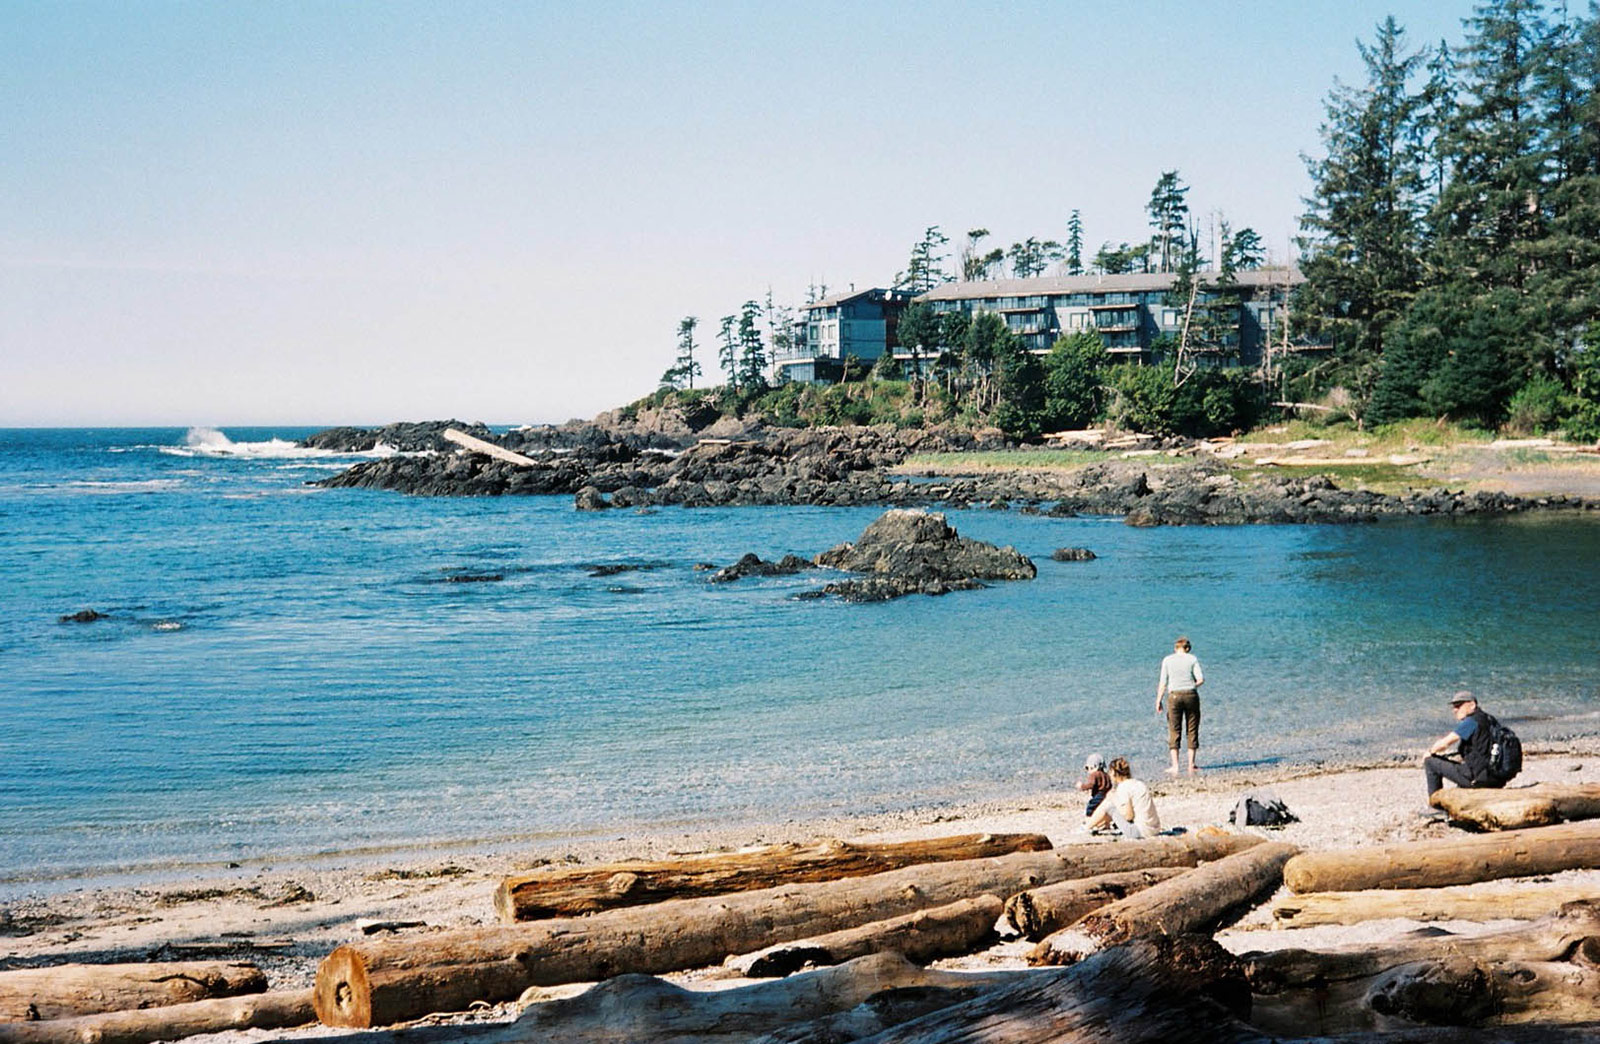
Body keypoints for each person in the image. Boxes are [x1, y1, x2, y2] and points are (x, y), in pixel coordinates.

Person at [1423, 690, 1505, 802]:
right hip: (1496, 778)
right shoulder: (1489, 719)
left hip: (1479, 779)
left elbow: (1445, 743)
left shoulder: (1471, 722)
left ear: (1472, 705)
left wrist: (1429, 752)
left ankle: (1436, 807)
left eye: (1458, 706)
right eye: (1454, 707)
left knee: (1430, 762)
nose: (1455, 710)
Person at [1156, 636, 1204, 775]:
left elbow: (1163, 682)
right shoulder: (1192, 659)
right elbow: (1201, 679)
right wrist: (1191, 685)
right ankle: (1191, 764)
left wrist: (1158, 700)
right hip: (1190, 694)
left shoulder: (1167, 660)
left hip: (1174, 695)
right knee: (1192, 729)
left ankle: (1175, 766)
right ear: (1187, 648)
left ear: (1175, 648)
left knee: (1174, 729)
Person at [1096, 756, 1162, 839]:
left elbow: (1129, 816)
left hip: (1139, 832)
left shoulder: (1123, 787)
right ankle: (1097, 825)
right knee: (1113, 805)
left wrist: (1116, 810)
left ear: (1113, 772)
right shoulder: (1138, 783)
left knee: (1108, 805)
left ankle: (1088, 826)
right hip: (1155, 829)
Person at [1076, 753, 1111, 825]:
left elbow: (1091, 785)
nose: (1088, 771)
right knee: (1101, 808)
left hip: (1098, 794)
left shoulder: (1094, 774)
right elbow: (1110, 785)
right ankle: (1103, 822)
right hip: (1105, 795)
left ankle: (1089, 821)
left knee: (1091, 807)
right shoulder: (1106, 775)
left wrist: (1082, 786)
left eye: (1088, 768)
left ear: (1094, 767)